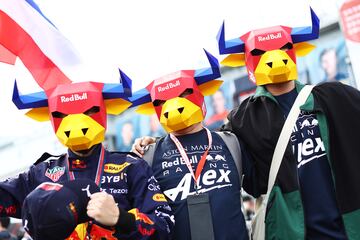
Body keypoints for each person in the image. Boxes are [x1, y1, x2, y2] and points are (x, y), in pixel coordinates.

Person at [217, 7, 360, 240]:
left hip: (350, 227)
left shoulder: (335, 96)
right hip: (290, 231)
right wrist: (152, 146)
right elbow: (211, 152)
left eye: (284, 47)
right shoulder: (242, 119)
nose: (274, 57)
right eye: (260, 52)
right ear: (247, 61)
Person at [1, 76, 174, 239]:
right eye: (62, 115)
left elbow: (165, 226)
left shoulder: (131, 167)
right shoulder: (41, 174)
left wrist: (120, 219)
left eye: (89, 111)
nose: (76, 125)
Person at [129, 50, 249, 240]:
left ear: (201, 94)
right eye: (163, 101)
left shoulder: (231, 141)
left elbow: (262, 186)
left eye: (184, 94)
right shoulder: (148, 155)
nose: (174, 106)